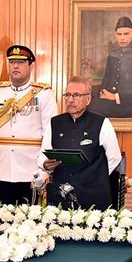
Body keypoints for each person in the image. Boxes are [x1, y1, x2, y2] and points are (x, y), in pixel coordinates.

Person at [0, 45, 58, 205]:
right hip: (2, 169)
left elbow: (50, 133)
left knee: (28, 224)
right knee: (3, 221)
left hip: (30, 170)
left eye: (21, 62)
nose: (15, 66)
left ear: (31, 66)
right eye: (12, 62)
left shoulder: (44, 94)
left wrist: (43, 168)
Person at [39, 76, 122, 210]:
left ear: (88, 99)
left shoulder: (102, 123)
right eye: (68, 95)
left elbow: (114, 158)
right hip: (61, 194)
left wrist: (94, 178)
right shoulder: (54, 123)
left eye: (76, 95)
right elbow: (43, 155)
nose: (70, 100)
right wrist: (45, 164)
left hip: (93, 196)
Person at [88, 16, 132, 118]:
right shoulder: (112, 55)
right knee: (89, 106)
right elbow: (106, 79)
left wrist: (115, 97)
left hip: (129, 103)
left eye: (126, 34)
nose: (122, 38)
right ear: (116, 36)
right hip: (108, 101)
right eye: (119, 34)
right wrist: (103, 92)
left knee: (95, 113)